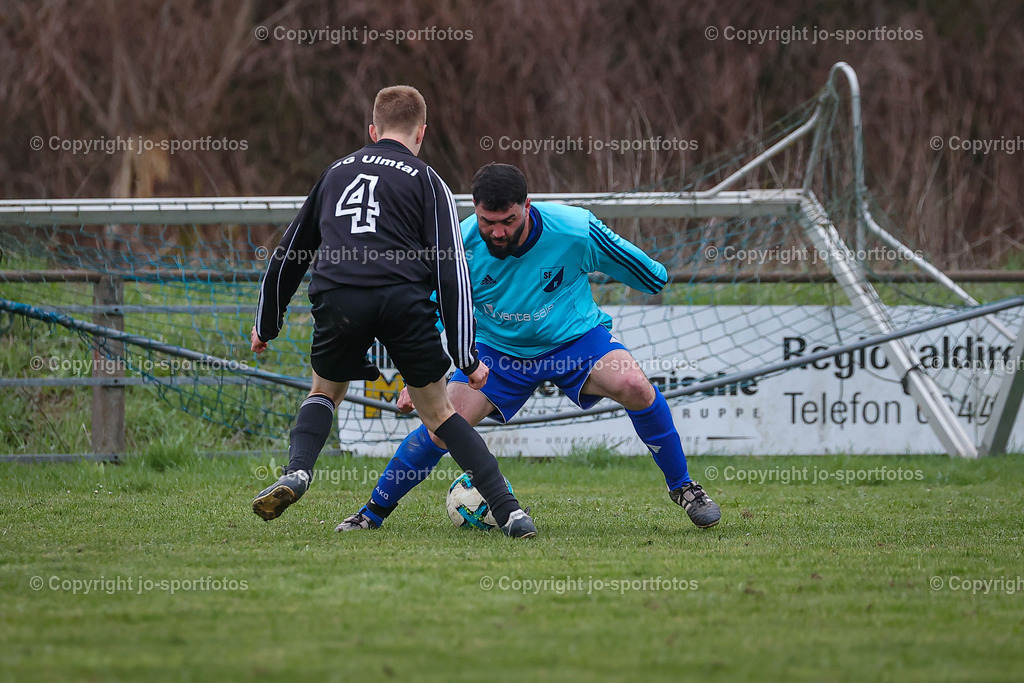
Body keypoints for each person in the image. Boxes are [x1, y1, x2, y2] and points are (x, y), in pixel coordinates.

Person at [337, 162, 720, 532]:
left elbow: (653, 278)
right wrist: (419, 376)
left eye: (509, 221)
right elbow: (431, 314)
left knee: (635, 386)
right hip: (497, 352)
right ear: (475, 210)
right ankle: (371, 513)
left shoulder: (575, 230)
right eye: (489, 222)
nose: (498, 233)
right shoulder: (458, 246)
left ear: (527, 207)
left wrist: (646, 273)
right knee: (440, 425)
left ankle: (685, 488)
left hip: (575, 340)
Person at [249, 88, 536, 538]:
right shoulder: (428, 180)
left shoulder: (335, 172)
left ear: (372, 130)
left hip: (338, 293)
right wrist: (468, 358)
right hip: (402, 300)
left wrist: (267, 322)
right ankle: (511, 512)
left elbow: (290, 251)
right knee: (440, 414)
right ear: (422, 133)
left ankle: (298, 472)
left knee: (324, 391)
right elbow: (451, 270)